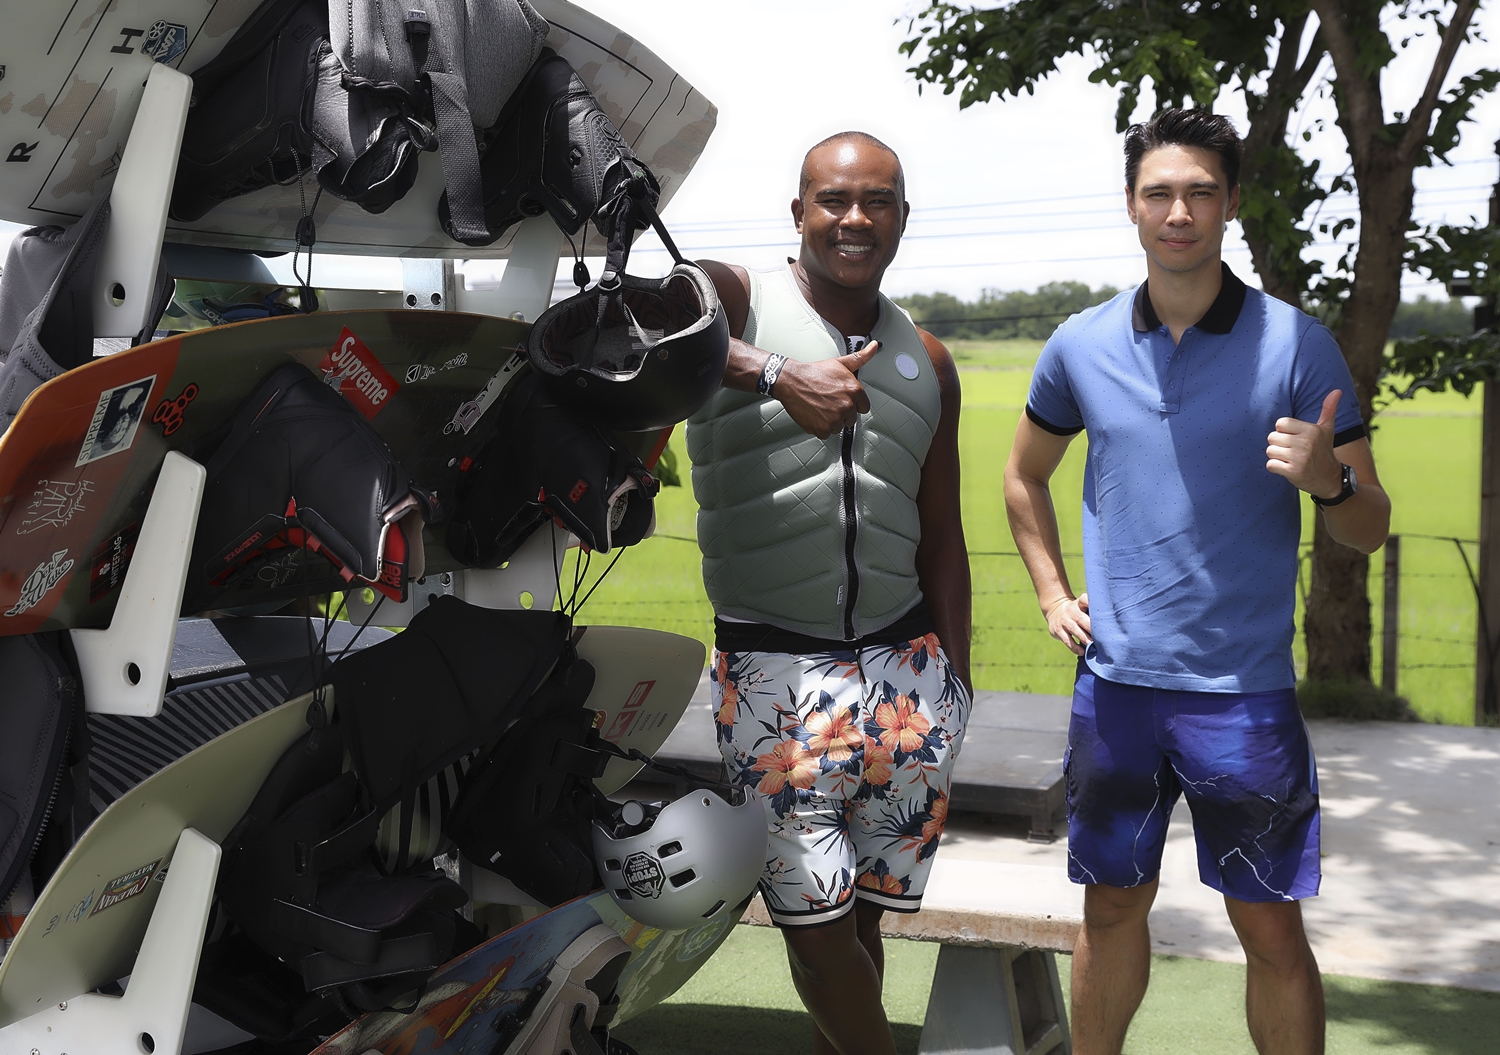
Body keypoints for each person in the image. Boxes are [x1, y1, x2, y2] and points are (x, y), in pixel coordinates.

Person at [1004, 108, 1391, 1055]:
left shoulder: (1296, 345)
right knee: (1110, 911)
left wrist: (1329, 482)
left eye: (1200, 192)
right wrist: (1052, 592)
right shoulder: (1078, 344)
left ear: (1231, 205)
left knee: (1270, 928)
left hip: (1244, 697)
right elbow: (1023, 475)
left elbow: (1369, 526)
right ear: (1132, 205)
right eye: (1160, 193)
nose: (1179, 211)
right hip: (1116, 691)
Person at [686, 131, 971, 1055]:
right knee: (812, 927)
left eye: (878, 201)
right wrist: (776, 374)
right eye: (835, 199)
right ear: (799, 211)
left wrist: (957, 684)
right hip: (775, 669)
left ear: (902, 217)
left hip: (908, 676)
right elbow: (638, 326)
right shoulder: (734, 298)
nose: (856, 218)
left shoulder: (928, 358)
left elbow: (942, 532)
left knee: (861, 924)